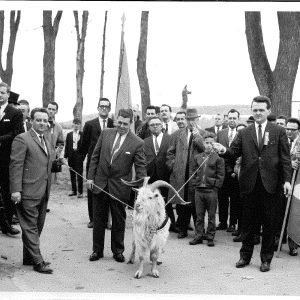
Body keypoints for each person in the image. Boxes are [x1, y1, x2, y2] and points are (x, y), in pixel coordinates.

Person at [214, 95, 292, 272]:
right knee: (248, 224)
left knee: (269, 224)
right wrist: (223, 150)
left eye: (261, 110)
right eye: (255, 110)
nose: (258, 113)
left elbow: (285, 159)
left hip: (271, 185)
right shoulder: (244, 132)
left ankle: (266, 260)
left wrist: (286, 180)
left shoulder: (278, 131)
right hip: (249, 185)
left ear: (268, 111)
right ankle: (245, 256)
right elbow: (233, 152)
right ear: (252, 110)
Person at [87, 108, 146, 263]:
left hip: (120, 188)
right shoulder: (106, 133)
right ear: (115, 120)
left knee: (119, 221)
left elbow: (140, 167)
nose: (121, 126)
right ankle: (97, 251)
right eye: (119, 122)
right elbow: (95, 156)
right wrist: (90, 178)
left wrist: (141, 188)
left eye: (125, 124)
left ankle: (118, 251)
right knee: (98, 220)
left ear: (130, 123)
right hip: (100, 184)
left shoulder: (137, 142)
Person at [10, 107, 56, 274]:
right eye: (39, 120)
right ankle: (38, 261)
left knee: (38, 226)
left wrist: (59, 163)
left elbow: (46, 163)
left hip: (43, 192)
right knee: (30, 227)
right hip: (27, 192)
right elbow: (16, 166)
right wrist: (16, 190)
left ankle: (28, 257)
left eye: (45, 120)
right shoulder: (22, 139)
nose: (42, 123)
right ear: (31, 121)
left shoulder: (46, 140)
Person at [167, 108, 205, 239]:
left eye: (193, 119)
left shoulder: (203, 134)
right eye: (189, 119)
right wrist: (173, 165)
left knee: (196, 204)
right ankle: (182, 229)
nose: (191, 122)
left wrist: (197, 137)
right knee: (182, 204)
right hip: (181, 174)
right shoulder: (177, 134)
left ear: (197, 119)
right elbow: (170, 153)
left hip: (196, 173)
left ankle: (199, 231)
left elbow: (206, 149)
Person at [78, 97, 114, 228]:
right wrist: (79, 161)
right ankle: (93, 219)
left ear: (109, 109)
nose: (104, 108)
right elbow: (83, 146)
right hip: (93, 164)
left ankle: (107, 220)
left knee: (108, 191)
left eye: (106, 106)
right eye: (101, 106)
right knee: (92, 190)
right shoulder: (89, 124)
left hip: (110, 163)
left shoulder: (114, 123)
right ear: (98, 108)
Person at [189, 132, 225, 247]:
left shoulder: (218, 159)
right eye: (206, 143)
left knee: (211, 216)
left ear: (214, 144)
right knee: (199, 215)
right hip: (199, 191)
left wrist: (215, 187)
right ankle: (199, 235)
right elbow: (192, 173)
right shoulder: (197, 157)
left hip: (211, 191)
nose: (209, 145)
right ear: (203, 144)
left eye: (211, 143)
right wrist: (195, 184)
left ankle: (210, 237)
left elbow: (220, 175)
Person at [144, 116, 176, 232]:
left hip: (165, 174)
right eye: (152, 125)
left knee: (166, 200)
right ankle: (153, 224)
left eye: (157, 124)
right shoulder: (145, 141)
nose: (155, 126)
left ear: (162, 126)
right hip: (151, 175)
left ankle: (171, 224)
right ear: (149, 127)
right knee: (152, 201)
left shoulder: (170, 139)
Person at [0, 82, 23, 236]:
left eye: (2, 92)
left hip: (5, 159)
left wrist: (1, 139)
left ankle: (7, 224)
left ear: (8, 94)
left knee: (7, 191)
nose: (0, 95)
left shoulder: (14, 113)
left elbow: (17, 133)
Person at [216, 109, 240, 233]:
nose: (232, 120)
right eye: (230, 118)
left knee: (235, 199)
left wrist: (236, 169)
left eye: (234, 118)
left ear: (238, 119)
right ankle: (222, 221)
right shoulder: (221, 133)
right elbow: (217, 153)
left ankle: (232, 223)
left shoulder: (242, 133)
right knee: (222, 198)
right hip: (222, 171)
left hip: (236, 172)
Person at [64, 118, 84, 198]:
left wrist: (82, 156)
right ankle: (74, 191)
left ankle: (80, 192)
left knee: (79, 174)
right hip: (71, 156)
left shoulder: (82, 134)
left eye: (78, 124)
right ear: (73, 124)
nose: (76, 125)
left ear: (80, 125)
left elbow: (84, 146)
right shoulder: (69, 134)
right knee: (72, 174)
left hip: (79, 156)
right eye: (75, 123)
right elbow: (67, 146)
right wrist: (65, 156)